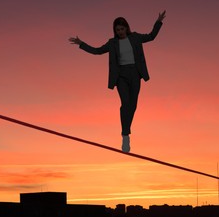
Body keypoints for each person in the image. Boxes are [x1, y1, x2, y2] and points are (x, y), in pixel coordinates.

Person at [69, 10, 166, 153]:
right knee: (125, 104)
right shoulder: (112, 43)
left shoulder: (135, 38)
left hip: (135, 74)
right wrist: (81, 43)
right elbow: (97, 51)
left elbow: (151, 36)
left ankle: (126, 131)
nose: (120, 32)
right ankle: (125, 135)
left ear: (126, 28)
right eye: (117, 30)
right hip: (121, 76)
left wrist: (158, 22)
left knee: (133, 106)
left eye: (122, 29)